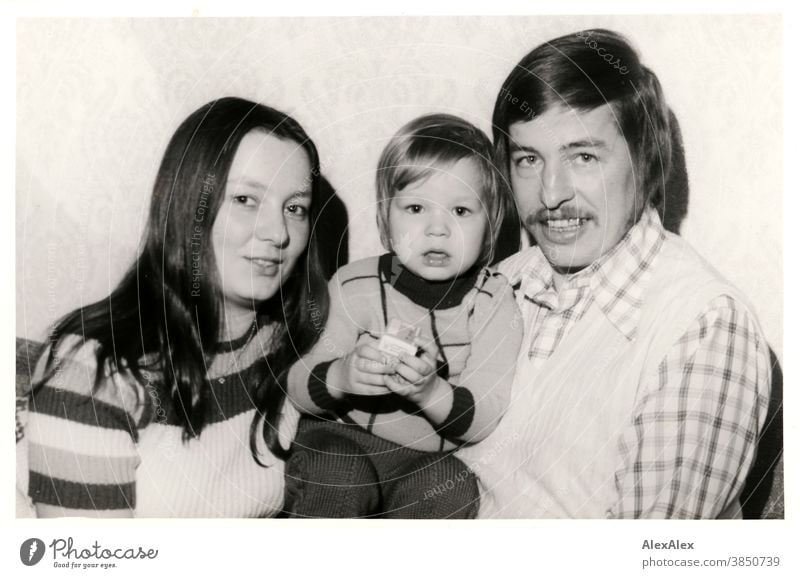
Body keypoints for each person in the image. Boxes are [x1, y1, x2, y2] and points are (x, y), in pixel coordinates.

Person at [457, 29, 772, 519]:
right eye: (528, 160)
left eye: (583, 156)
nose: (551, 193)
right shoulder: (501, 283)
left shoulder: (704, 325)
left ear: (644, 161)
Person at [24, 97, 329, 517]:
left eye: (295, 208)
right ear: (188, 205)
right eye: (245, 200)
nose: (278, 232)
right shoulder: (93, 371)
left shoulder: (297, 348)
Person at [284, 114, 522, 518]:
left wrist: (430, 392)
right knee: (337, 471)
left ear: (491, 224)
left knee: (450, 490)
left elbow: (484, 415)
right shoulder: (355, 285)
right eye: (415, 207)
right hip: (341, 436)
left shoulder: (494, 304)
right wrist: (342, 375)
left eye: (462, 211)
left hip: (423, 460)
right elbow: (294, 385)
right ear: (385, 220)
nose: (437, 229)